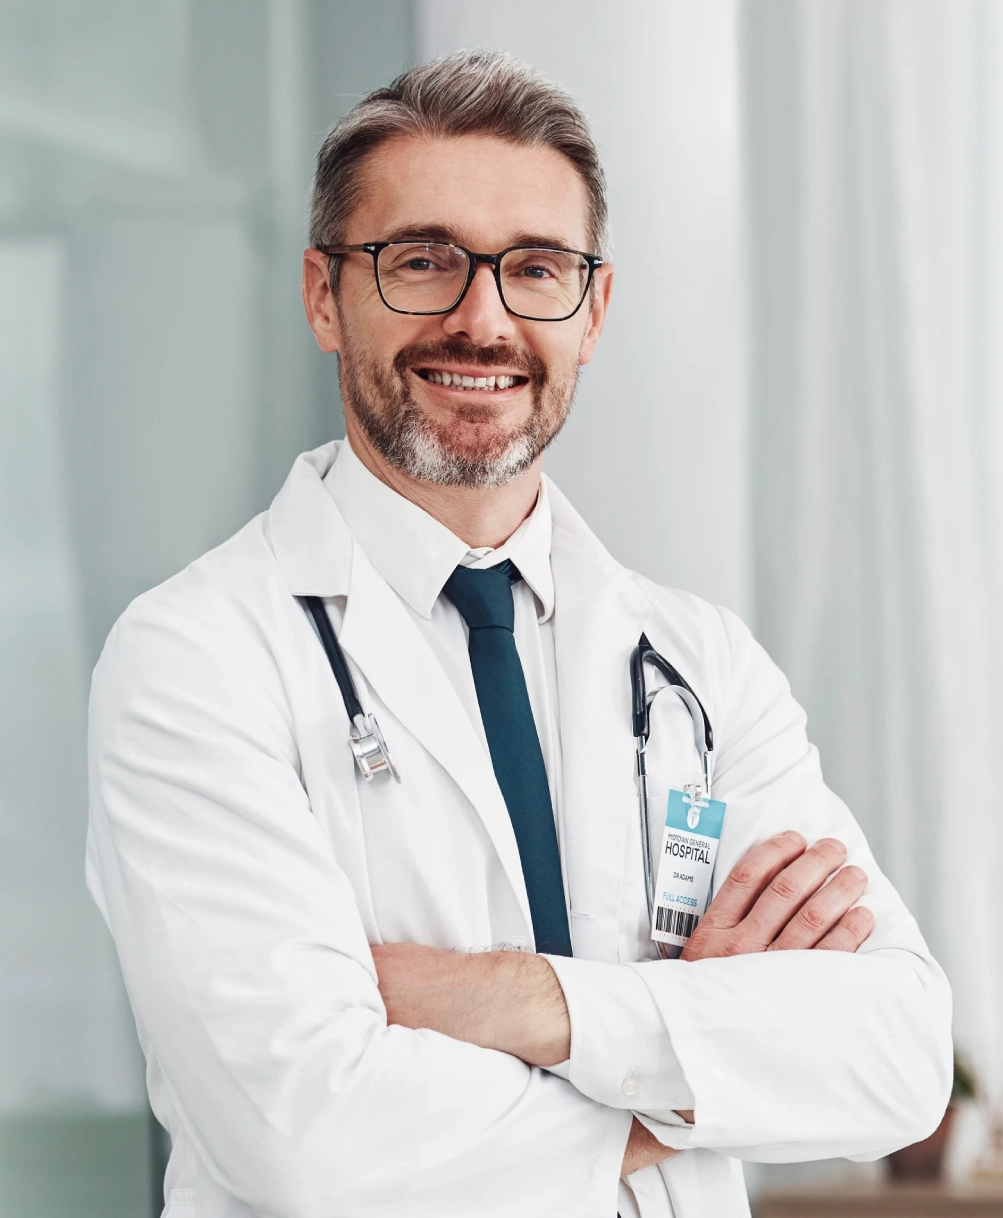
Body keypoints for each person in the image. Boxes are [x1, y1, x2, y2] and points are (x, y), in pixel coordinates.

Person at [86, 50, 952, 1218]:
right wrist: (702, 1049)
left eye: (534, 267)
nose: (482, 319)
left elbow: (896, 1054)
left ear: (591, 311)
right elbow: (315, 1141)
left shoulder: (703, 666)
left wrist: (515, 1001)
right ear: (321, 294)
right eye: (422, 261)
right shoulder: (194, 660)